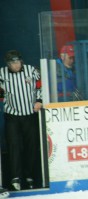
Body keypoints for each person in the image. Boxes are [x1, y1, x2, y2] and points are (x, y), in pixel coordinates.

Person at [0, 50, 42, 190]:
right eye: (12, 63)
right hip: (12, 116)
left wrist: (39, 100)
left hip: (29, 114)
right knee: (14, 146)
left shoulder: (31, 70)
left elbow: (40, 85)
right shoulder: (2, 74)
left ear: (21, 61)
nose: (16, 65)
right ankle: (16, 177)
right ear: (8, 64)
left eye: (18, 61)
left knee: (31, 145)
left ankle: (29, 175)